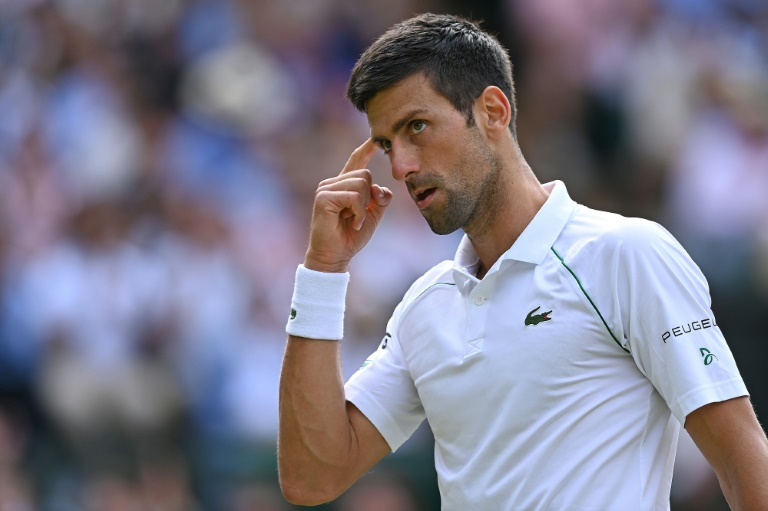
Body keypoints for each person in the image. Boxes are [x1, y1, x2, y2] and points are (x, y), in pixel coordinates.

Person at [278, 13, 768, 510]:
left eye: (417, 127)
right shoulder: (423, 308)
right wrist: (323, 268)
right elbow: (312, 476)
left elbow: (741, 460)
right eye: (387, 144)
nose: (402, 166)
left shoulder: (627, 253)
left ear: (492, 110)